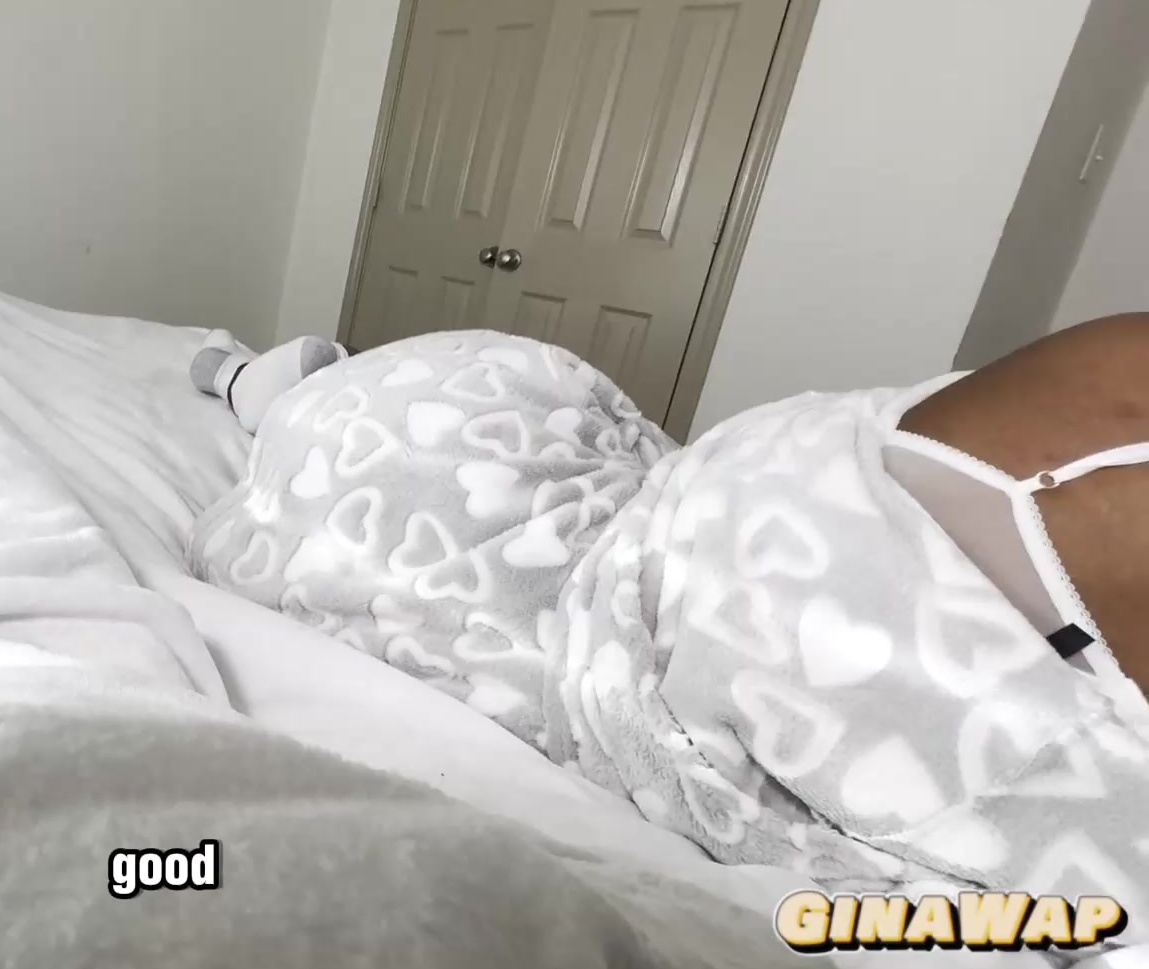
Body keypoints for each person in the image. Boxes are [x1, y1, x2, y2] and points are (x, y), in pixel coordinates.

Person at [191, 317, 1149, 933]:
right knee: (347, 429)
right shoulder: (408, 425)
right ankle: (251, 382)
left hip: (657, 511)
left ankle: (261, 384)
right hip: (564, 484)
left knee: (377, 444)